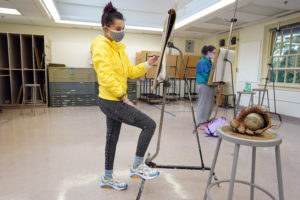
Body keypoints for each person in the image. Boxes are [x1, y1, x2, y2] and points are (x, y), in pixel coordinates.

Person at [90, 2, 159, 191]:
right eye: (118, 29)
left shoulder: (119, 49)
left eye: (123, 29)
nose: (121, 32)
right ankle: (137, 166)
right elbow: (105, 77)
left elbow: (130, 71)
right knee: (149, 124)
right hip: (111, 100)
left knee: (111, 138)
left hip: (115, 100)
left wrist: (149, 63)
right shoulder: (100, 47)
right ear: (107, 28)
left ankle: (107, 178)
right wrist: (124, 98)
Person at [196, 45, 217, 130]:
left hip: (210, 85)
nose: (215, 54)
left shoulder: (209, 62)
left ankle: (205, 121)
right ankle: (200, 123)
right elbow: (207, 75)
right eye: (214, 53)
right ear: (208, 52)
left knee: (209, 105)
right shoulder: (202, 62)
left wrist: (216, 84)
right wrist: (215, 83)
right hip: (204, 85)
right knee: (203, 104)